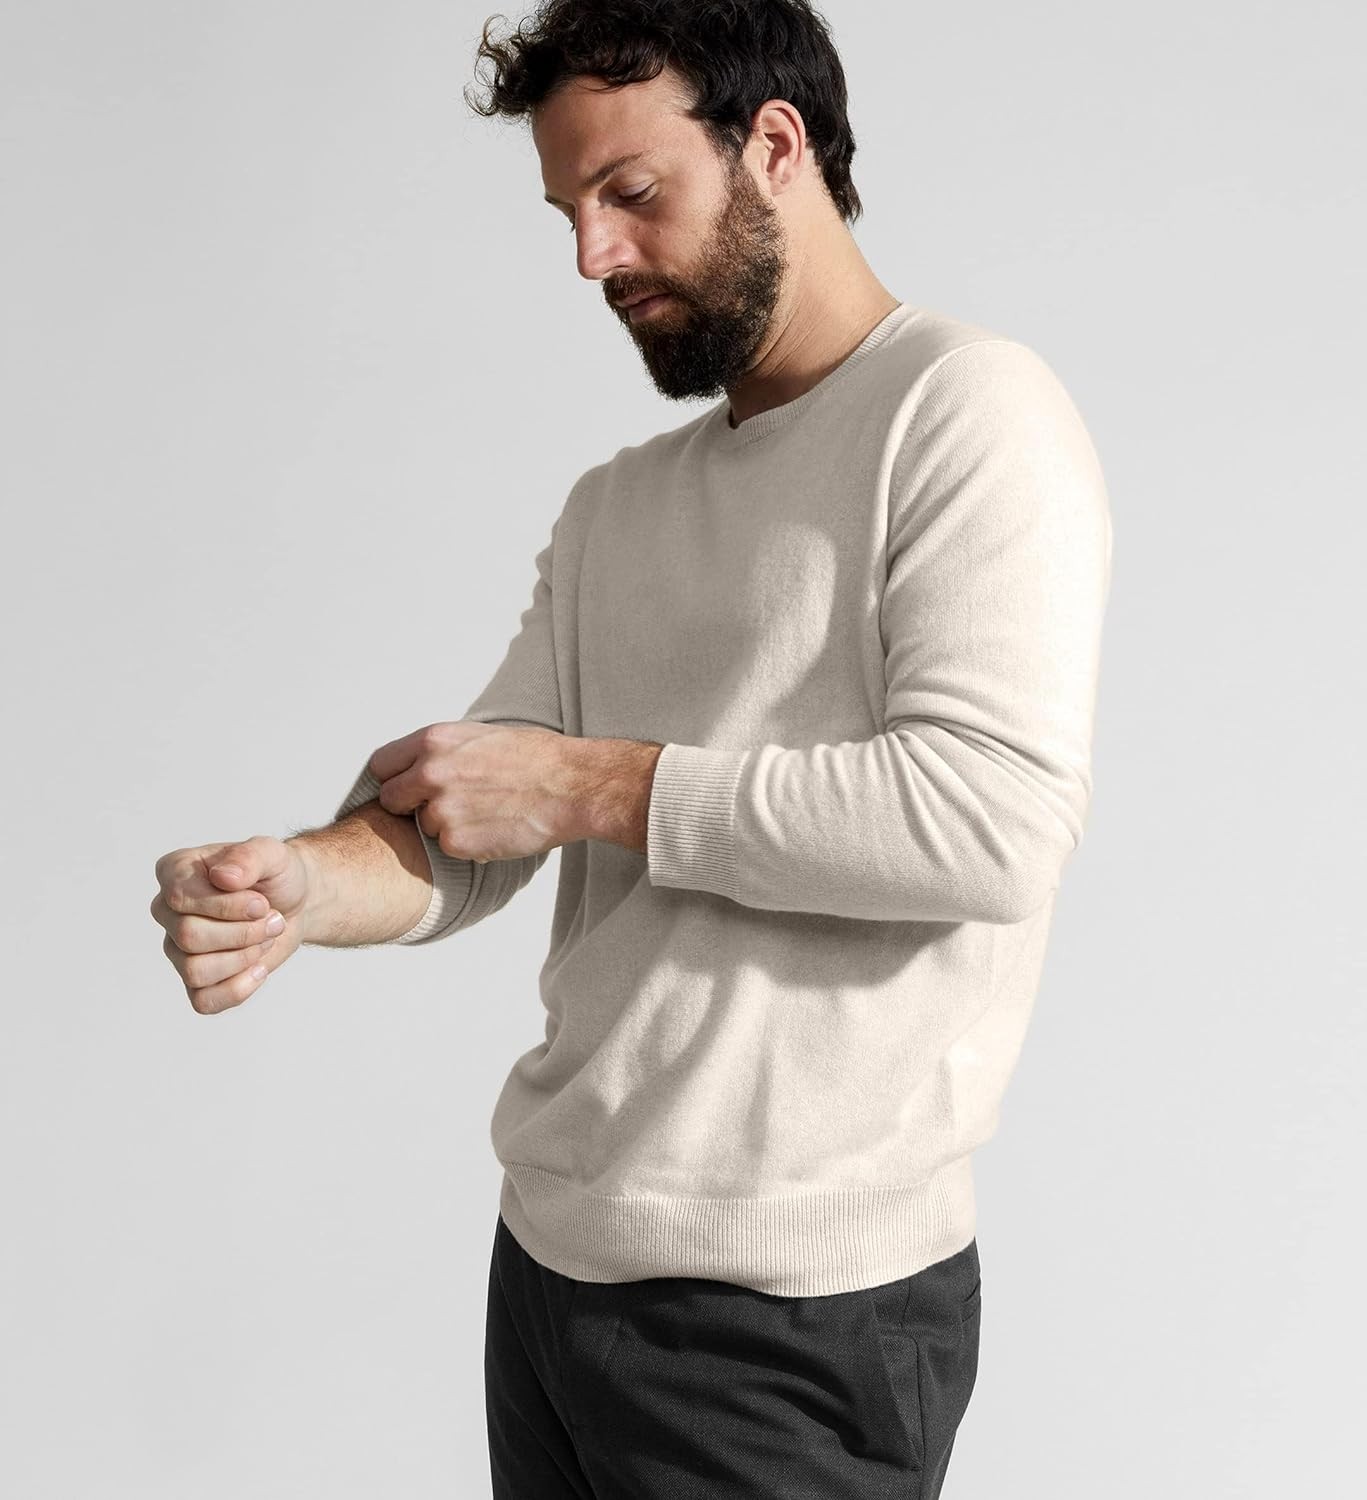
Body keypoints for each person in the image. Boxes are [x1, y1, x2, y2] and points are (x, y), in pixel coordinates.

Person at [149, 2, 1114, 1494]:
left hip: (792, 1309)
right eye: (569, 213)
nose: (594, 257)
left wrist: (588, 784)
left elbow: (987, 824)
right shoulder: (618, 504)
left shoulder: (966, 411)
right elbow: (479, 808)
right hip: (551, 1269)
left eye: (632, 193)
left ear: (774, 145)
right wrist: (298, 883)